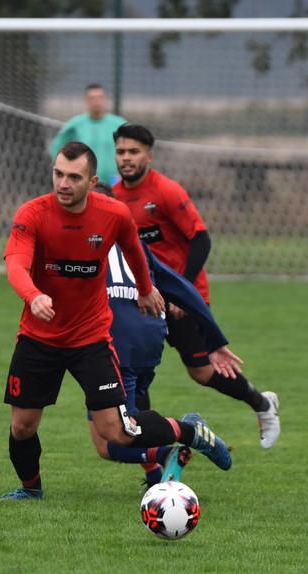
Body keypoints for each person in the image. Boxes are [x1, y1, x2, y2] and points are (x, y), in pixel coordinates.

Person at [0, 141, 233, 501]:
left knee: (117, 433)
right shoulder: (32, 213)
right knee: (22, 426)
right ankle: (31, 490)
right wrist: (33, 295)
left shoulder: (113, 214)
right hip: (39, 338)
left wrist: (144, 288)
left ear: (91, 181)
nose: (63, 183)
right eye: (58, 174)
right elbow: (15, 261)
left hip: (90, 340)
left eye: (73, 177)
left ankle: (189, 432)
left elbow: (133, 249)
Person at [112, 122, 281, 449]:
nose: (126, 158)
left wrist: (181, 293)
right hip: (144, 299)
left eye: (133, 151)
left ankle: (262, 404)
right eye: (121, 152)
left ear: (149, 155)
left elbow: (201, 240)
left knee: (202, 372)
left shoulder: (166, 191)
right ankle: (151, 460)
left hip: (181, 299)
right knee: (136, 371)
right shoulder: (115, 197)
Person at [88, 181, 245, 488]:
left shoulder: (87, 242)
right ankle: (157, 478)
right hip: (148, 336)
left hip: (118, 343)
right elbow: (184, 288)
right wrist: (214, 340)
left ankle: (186, 434)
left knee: (115, 440)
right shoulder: (135, 244)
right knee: (113, 435)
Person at [50, 84, 127, 187]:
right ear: (86, 101)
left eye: (100, 97)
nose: (96, 101)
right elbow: (57, 147)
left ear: (105, 99)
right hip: (85, 184)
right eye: (92, 98)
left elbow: (131, 150)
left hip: (114, 183)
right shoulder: (75, 125)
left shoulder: (119, 124)